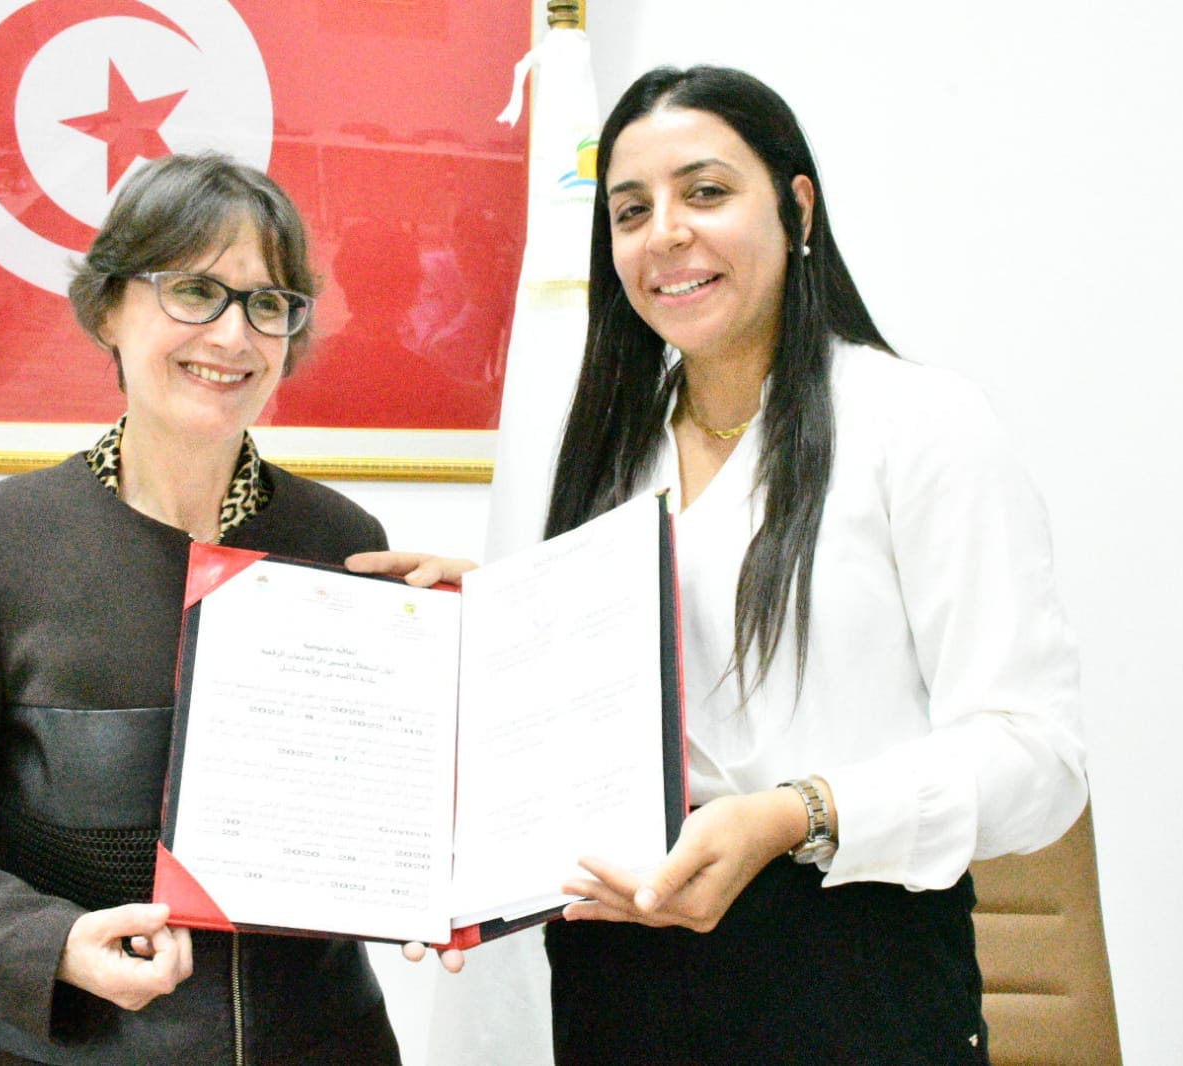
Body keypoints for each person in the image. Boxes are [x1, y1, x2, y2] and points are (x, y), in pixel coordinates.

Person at [359, 65, 1087, 1063]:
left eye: (704, 192)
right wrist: (498, 629)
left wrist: (796, 815)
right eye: (630, 210)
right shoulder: (607, 454)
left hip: (848, 975)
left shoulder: (919, 424)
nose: (664, 233)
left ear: (797, 210)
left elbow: (1036, 759)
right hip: (619, 977)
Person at [0, 152, 405, 1065]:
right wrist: (49, 944)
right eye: (194, 291)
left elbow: (389, 815)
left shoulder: (341, 539)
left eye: (267, 303)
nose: (233, 334)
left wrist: (475, 649)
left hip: (327, 1045)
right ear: (107, 308)